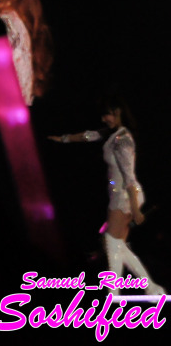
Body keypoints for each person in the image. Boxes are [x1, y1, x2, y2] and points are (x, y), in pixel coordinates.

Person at [49, 97, 166, 295]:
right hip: (119, 194)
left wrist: (135, 208)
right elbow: (88, 135)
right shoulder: (112, 134)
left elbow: (129, 177)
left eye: (107, 115)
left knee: (111, 241)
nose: (104, 119)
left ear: (118, 112)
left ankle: (115, 291)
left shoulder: (123, 140)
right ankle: (151, 288)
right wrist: (64, 139)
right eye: (103, 116)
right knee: (116, 244)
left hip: (126, 195)